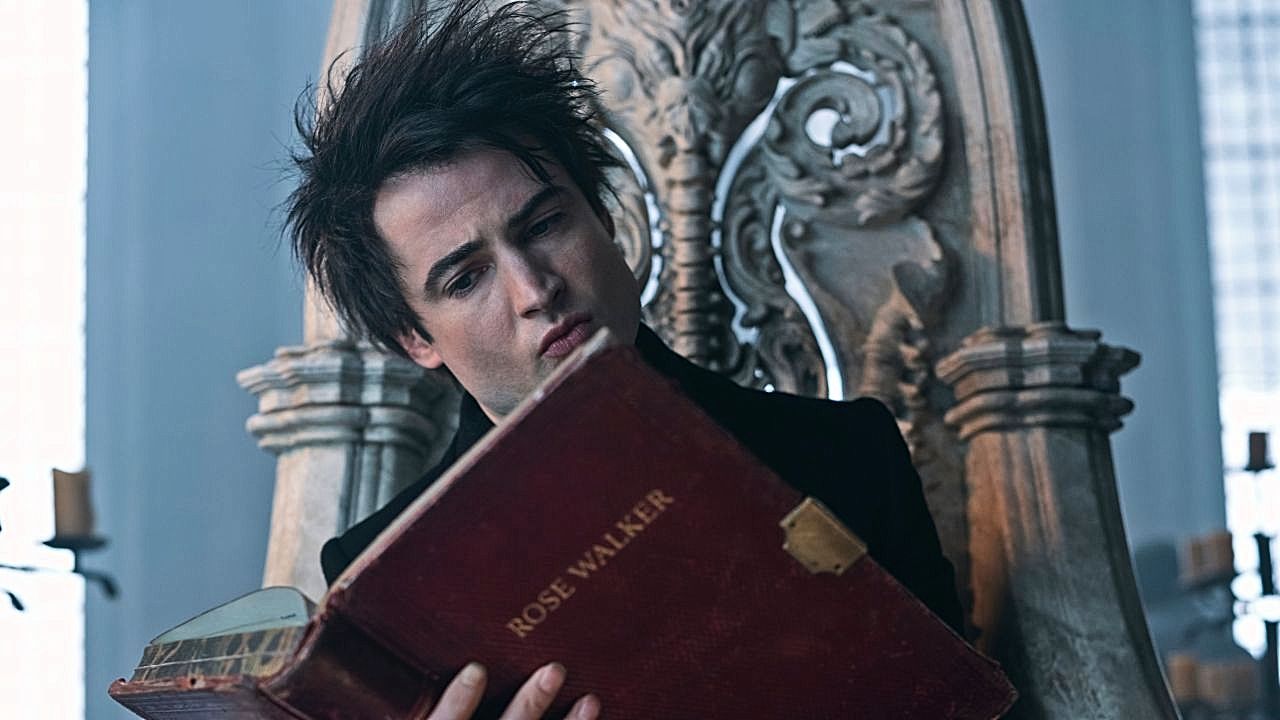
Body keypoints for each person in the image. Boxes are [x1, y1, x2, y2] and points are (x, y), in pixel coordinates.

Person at [286, 2, 962, 718]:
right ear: (414, 339)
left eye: (545, 224)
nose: (535, 290)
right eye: (465, 279)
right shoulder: (381, 585)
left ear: (604, 218)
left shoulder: (848, 455)